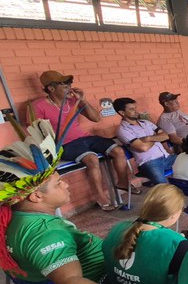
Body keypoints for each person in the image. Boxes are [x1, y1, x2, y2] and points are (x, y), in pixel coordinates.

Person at [0, 120, 144, 284]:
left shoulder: (12, 221)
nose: (66, 184)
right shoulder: (45, 235)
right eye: (59, 183)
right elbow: (71, 282)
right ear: (36, 197)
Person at [29, 70, 138, 211]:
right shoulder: (38, 105)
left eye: (69, 84)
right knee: (91, 158)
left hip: (85, 138)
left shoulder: (72, 101)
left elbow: (96, 118)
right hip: (65, 144)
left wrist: (83, 100)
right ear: (51, 88)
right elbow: (35, 130)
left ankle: (123, 182)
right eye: (64, 85)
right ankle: (100, 197)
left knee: (117, 150)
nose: (69, 88)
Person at [113, 97, 176, 185]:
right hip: (150, 163)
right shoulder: (123, 130)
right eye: (131, 109)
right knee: (163, 186)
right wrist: (156, 136)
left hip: (166, 157)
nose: (136, 111)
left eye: (135, 108)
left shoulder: (146, 123)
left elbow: (165, 136)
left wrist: (148, 138)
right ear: (122, 113)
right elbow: (143, 147)